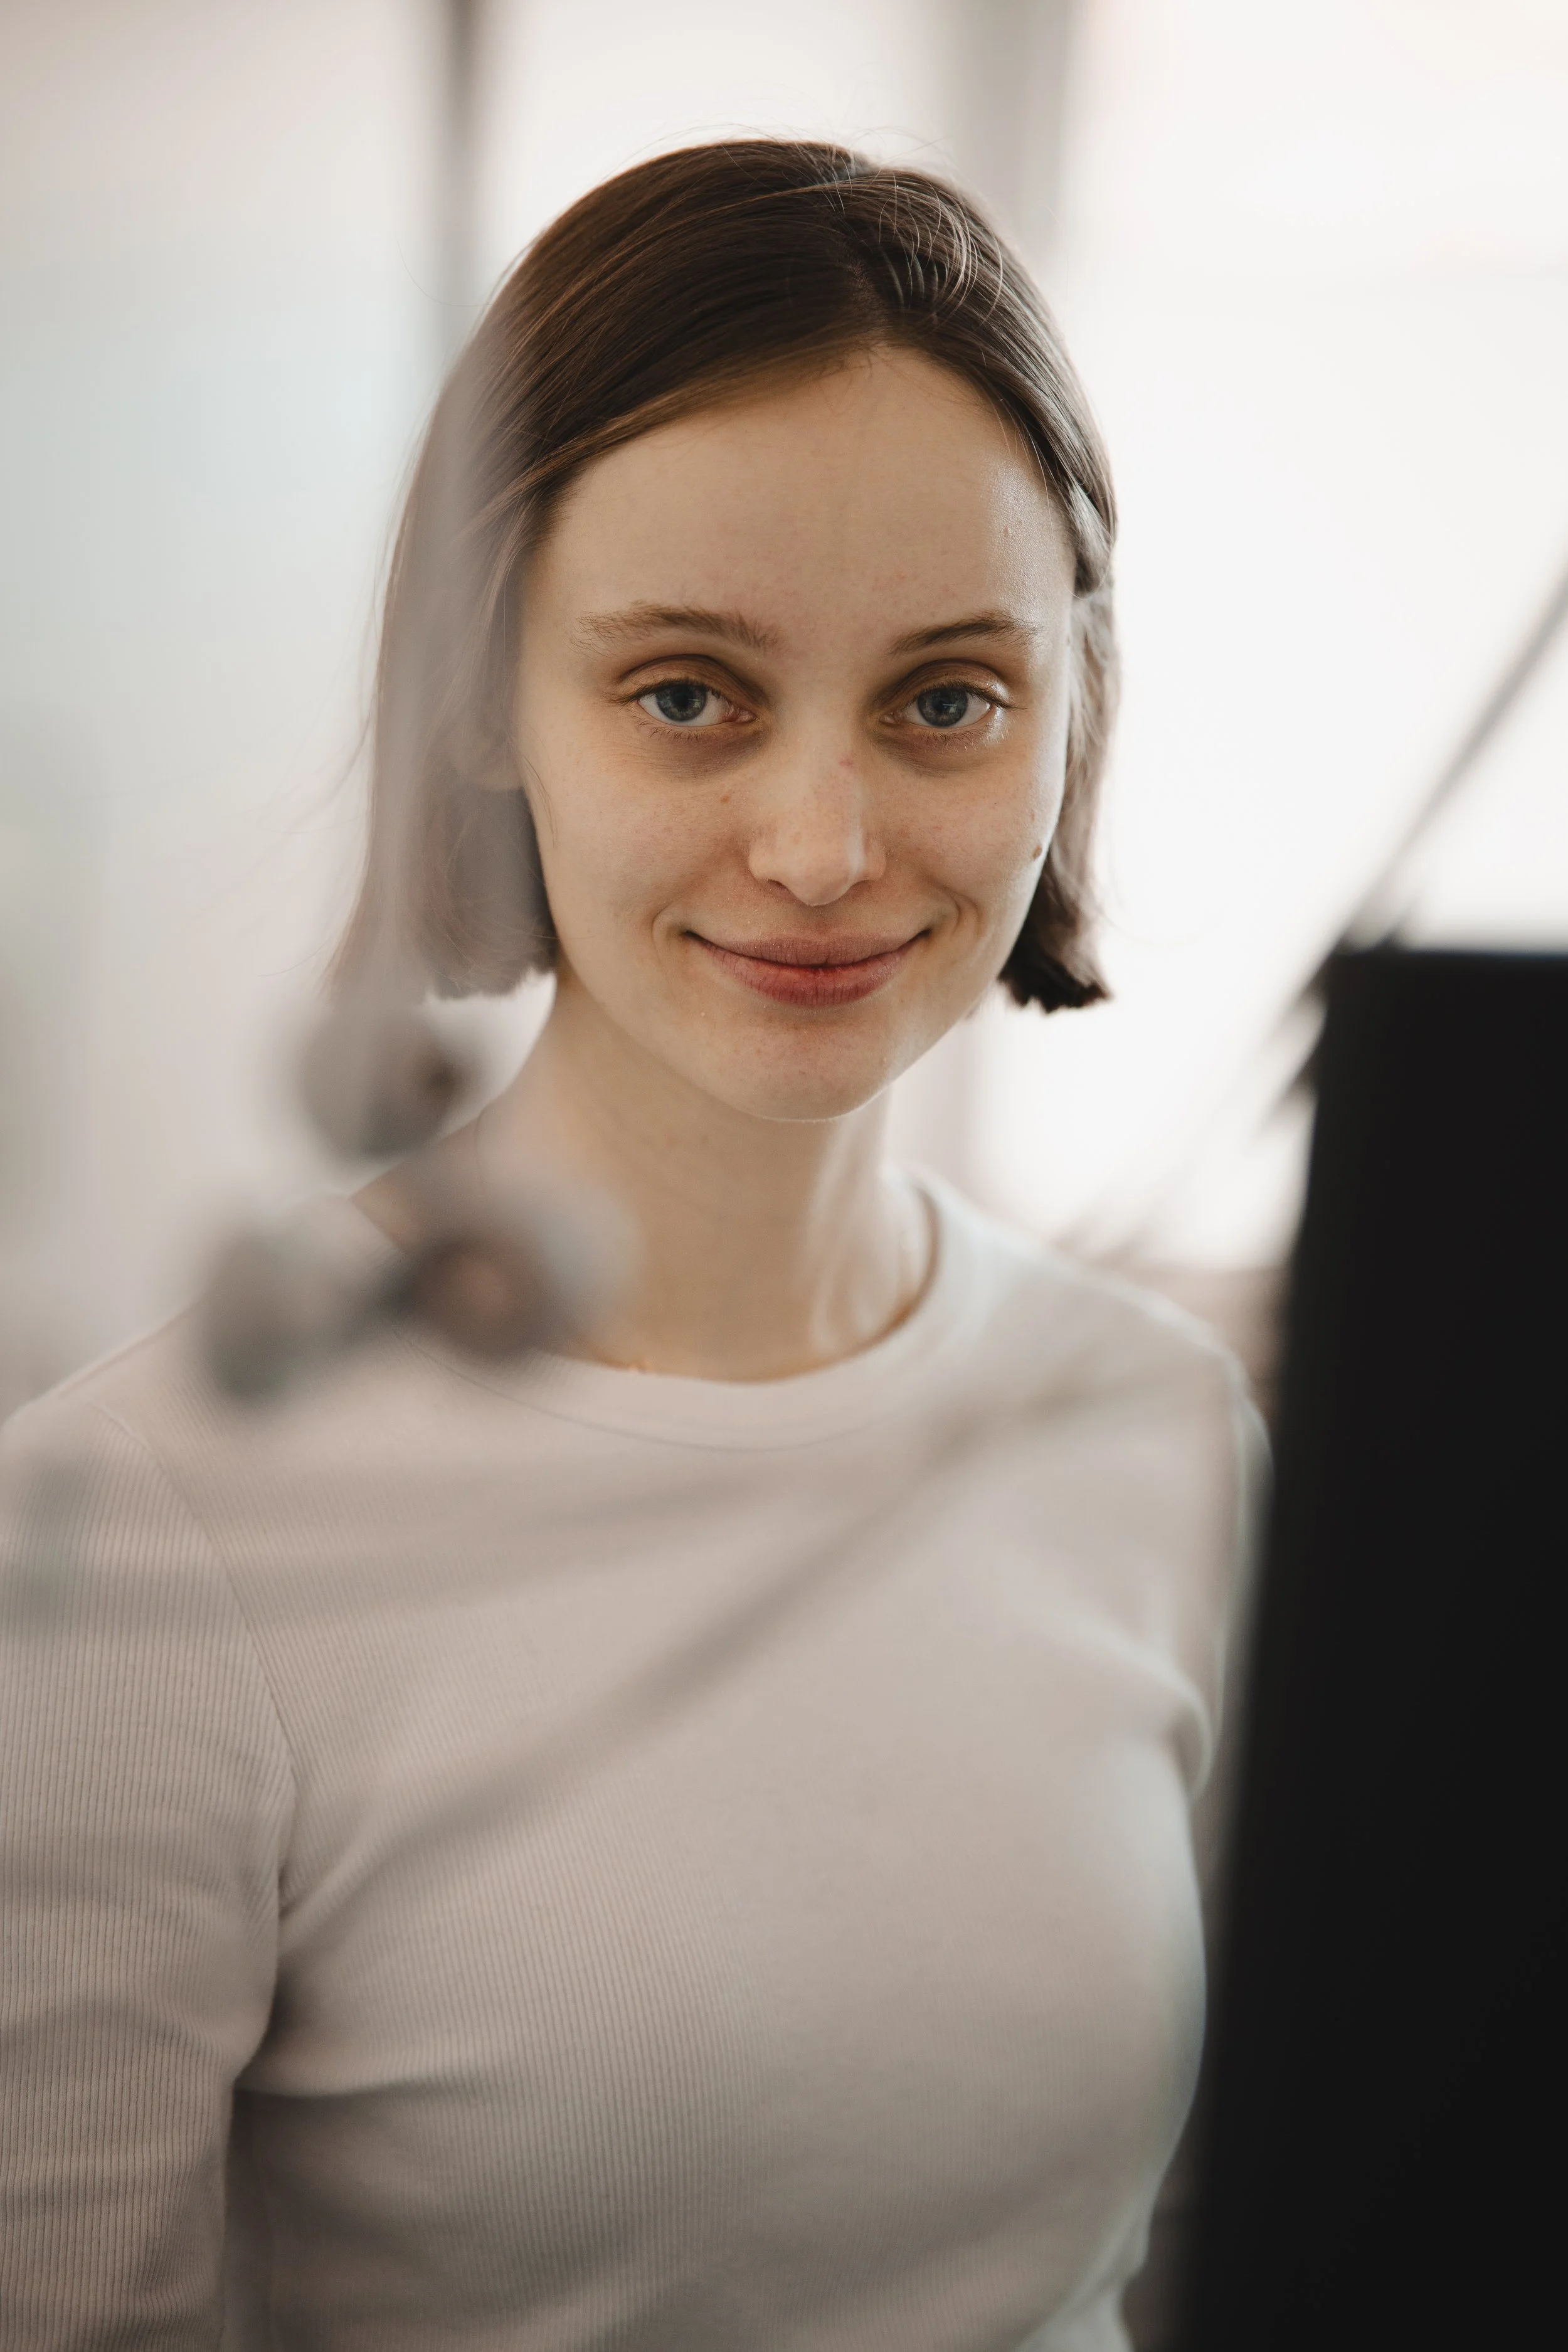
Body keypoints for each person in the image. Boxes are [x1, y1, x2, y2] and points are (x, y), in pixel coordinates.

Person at [0, 142, 1260, 2351]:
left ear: (1067, 714)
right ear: (488, 696)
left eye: (944, 696)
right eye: (686, 690)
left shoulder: (1156, 1431)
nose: (822, 843)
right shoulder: (145, 1525)